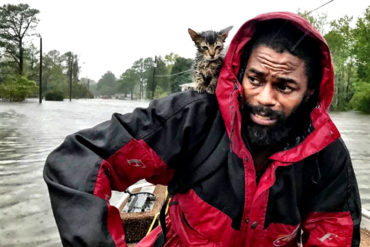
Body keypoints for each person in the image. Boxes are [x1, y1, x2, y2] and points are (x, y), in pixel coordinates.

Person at [44, 12, 361, 247]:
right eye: (255, 80)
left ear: (309, 93)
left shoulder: (326, 153)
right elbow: (81, 160)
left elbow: (335, 231)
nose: (266, 98)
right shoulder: (192, 118)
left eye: (286, 86)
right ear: (239, 74)